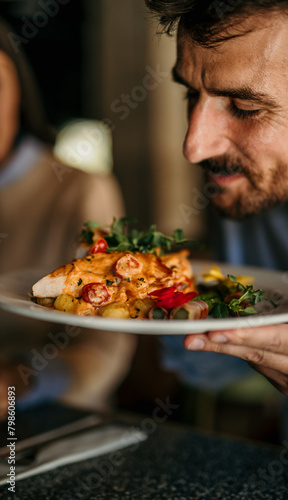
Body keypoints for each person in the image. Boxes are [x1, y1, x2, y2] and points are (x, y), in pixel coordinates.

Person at [145, 0, 288, 457]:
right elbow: (211, 370)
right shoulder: (250, 187)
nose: (194, 146)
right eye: (191, 94)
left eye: (244, 106)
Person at [0, 16, 136, 419]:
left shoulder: (79, 190)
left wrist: (15, 383)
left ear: (18, 92)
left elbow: (107, 347)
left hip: (45, 421)